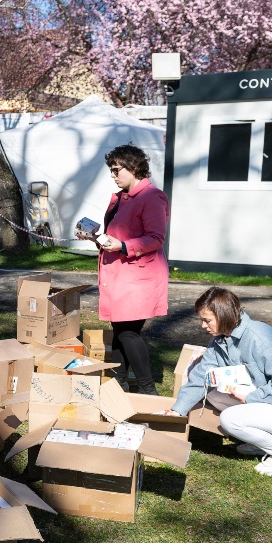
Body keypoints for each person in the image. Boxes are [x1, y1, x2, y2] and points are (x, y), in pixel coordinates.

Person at [168, 287, 272, 476]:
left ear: (223, 315)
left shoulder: (263, 338)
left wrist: (251, 397)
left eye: (207, 320)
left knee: (229, 419)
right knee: (214, 395)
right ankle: (262, 441)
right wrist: (177, 410)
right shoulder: (220, 341)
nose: (203, 326)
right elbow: (201, 376)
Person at [76, 144, 168, 395]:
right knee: (119, 329)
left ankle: (148, 391)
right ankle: (120, 385)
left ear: (135, 167)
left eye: (117, 170)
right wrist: (96, 238)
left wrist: (124, 245)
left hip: (138, 277)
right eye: (111, 170)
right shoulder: (120, 197)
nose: (113, 175)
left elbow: (156, 238)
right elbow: (116, 237)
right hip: (120, 275)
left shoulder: (152, 197)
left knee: (127, 332)